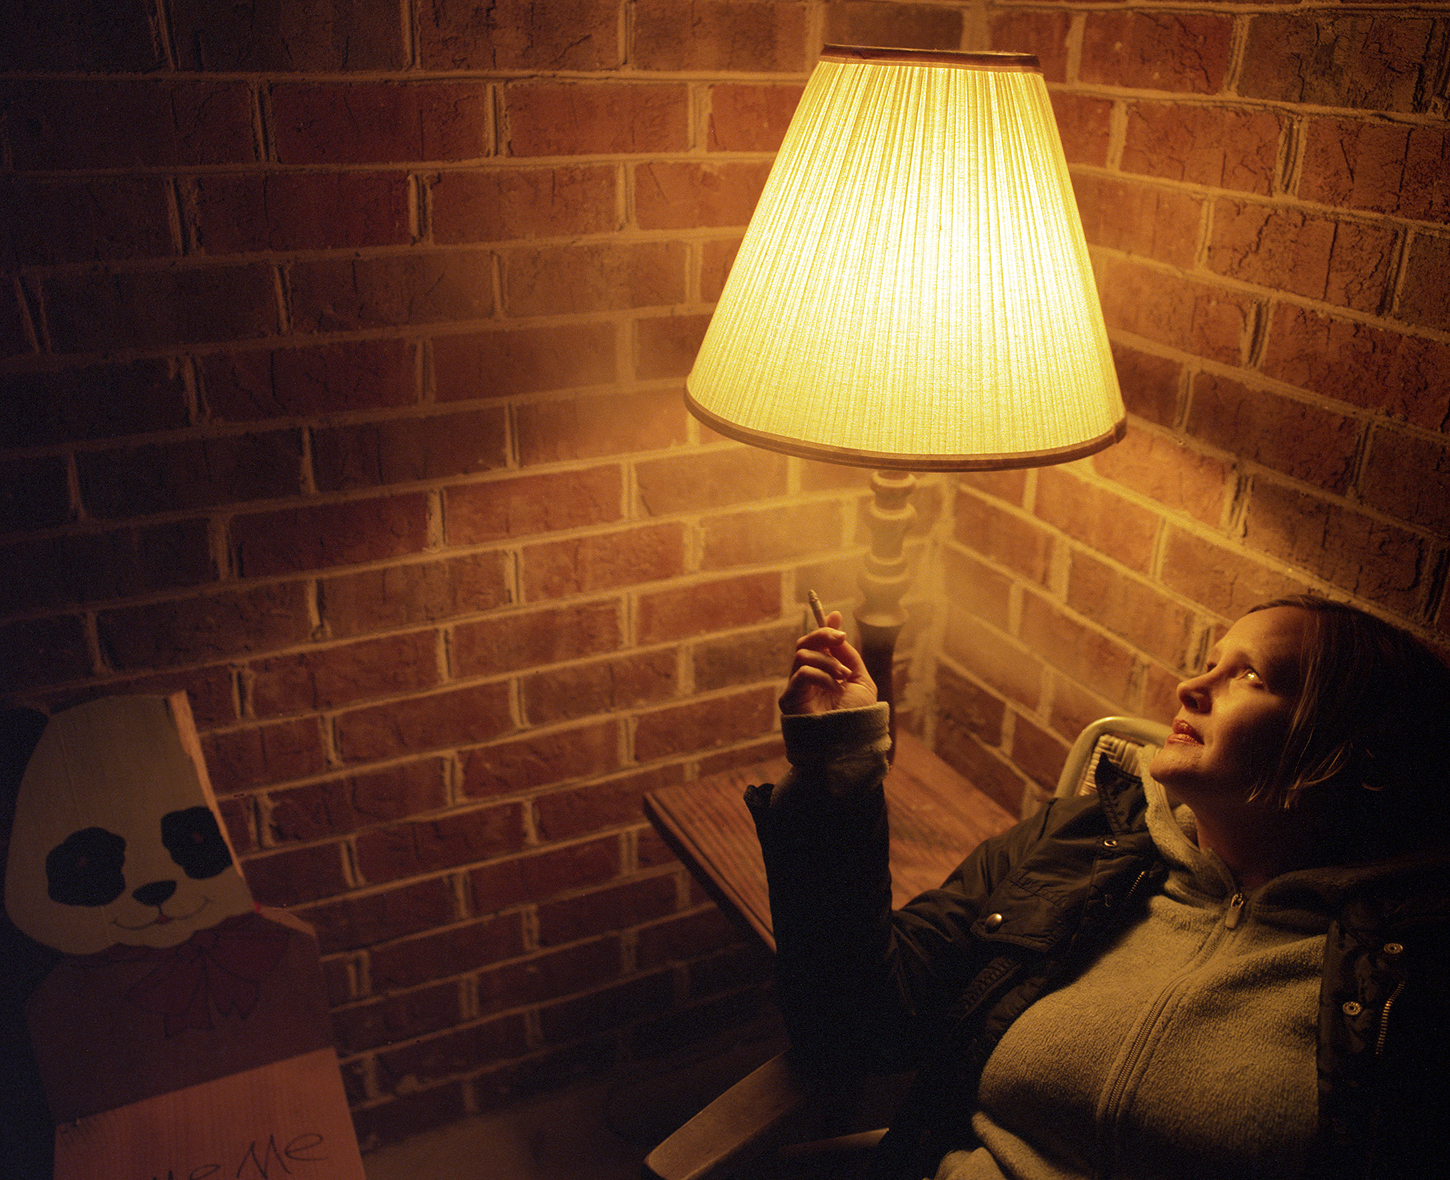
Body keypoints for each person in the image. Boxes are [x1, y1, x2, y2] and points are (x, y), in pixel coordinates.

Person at [747, 595, 1450, 1180]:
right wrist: (838, 766)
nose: (1190, 688)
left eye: (1253, 676)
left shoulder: (1403, 972)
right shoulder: (1084, 840)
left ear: (1346, 752)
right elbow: (858, 1020)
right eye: (1210, 663)